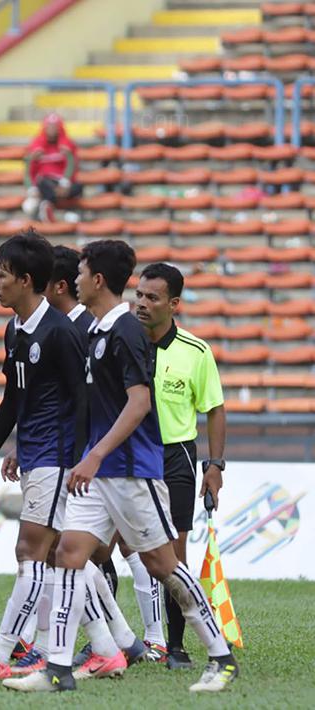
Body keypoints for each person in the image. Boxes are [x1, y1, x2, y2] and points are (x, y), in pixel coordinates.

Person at [4, 241, 238, 694]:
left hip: (133, 470)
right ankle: (57, 668)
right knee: (67, 554)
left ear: (96, 281)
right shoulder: (95, 331)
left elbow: (138, 403)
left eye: (81, 272)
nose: (73, 280)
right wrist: (84, 453)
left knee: (163, 564)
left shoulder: (125, 331)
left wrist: (94, 454)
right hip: (101, 472)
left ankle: (221, 656)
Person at [0, 232, 89, 680]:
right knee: (57, 557)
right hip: (33, 452)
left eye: (1, 276)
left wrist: (78, 460)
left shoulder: (60, 332)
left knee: (31, 551)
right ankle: (113, 646)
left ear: (26, 280)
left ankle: (3, 652)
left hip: (57, 457)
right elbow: (14, 398)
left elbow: (81, 401)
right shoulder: (15, 328)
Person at [134, 262, 227, 670]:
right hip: (128, 454)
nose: (142, 303)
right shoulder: (123, 341)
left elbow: (215, 408)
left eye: (152, 297)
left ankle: (175, 645)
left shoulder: (196, 351)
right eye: (138, 294)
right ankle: (118, 641)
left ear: (173, 304)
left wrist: (215, 465)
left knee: (173, 555)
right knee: (103, 546)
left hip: (175, 457)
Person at [22, 113, 81, 223]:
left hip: (62, 183)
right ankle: (49, 208)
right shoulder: (36, 146)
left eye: (55, 127)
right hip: (45, 182)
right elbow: (29, 170)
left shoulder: (67, 145)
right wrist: (31, 187)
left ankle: (48, 206)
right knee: (42, 185)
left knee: (78, 187)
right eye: (49, 127)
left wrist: (64, 184)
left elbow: (73, 166)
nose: (52, 130)